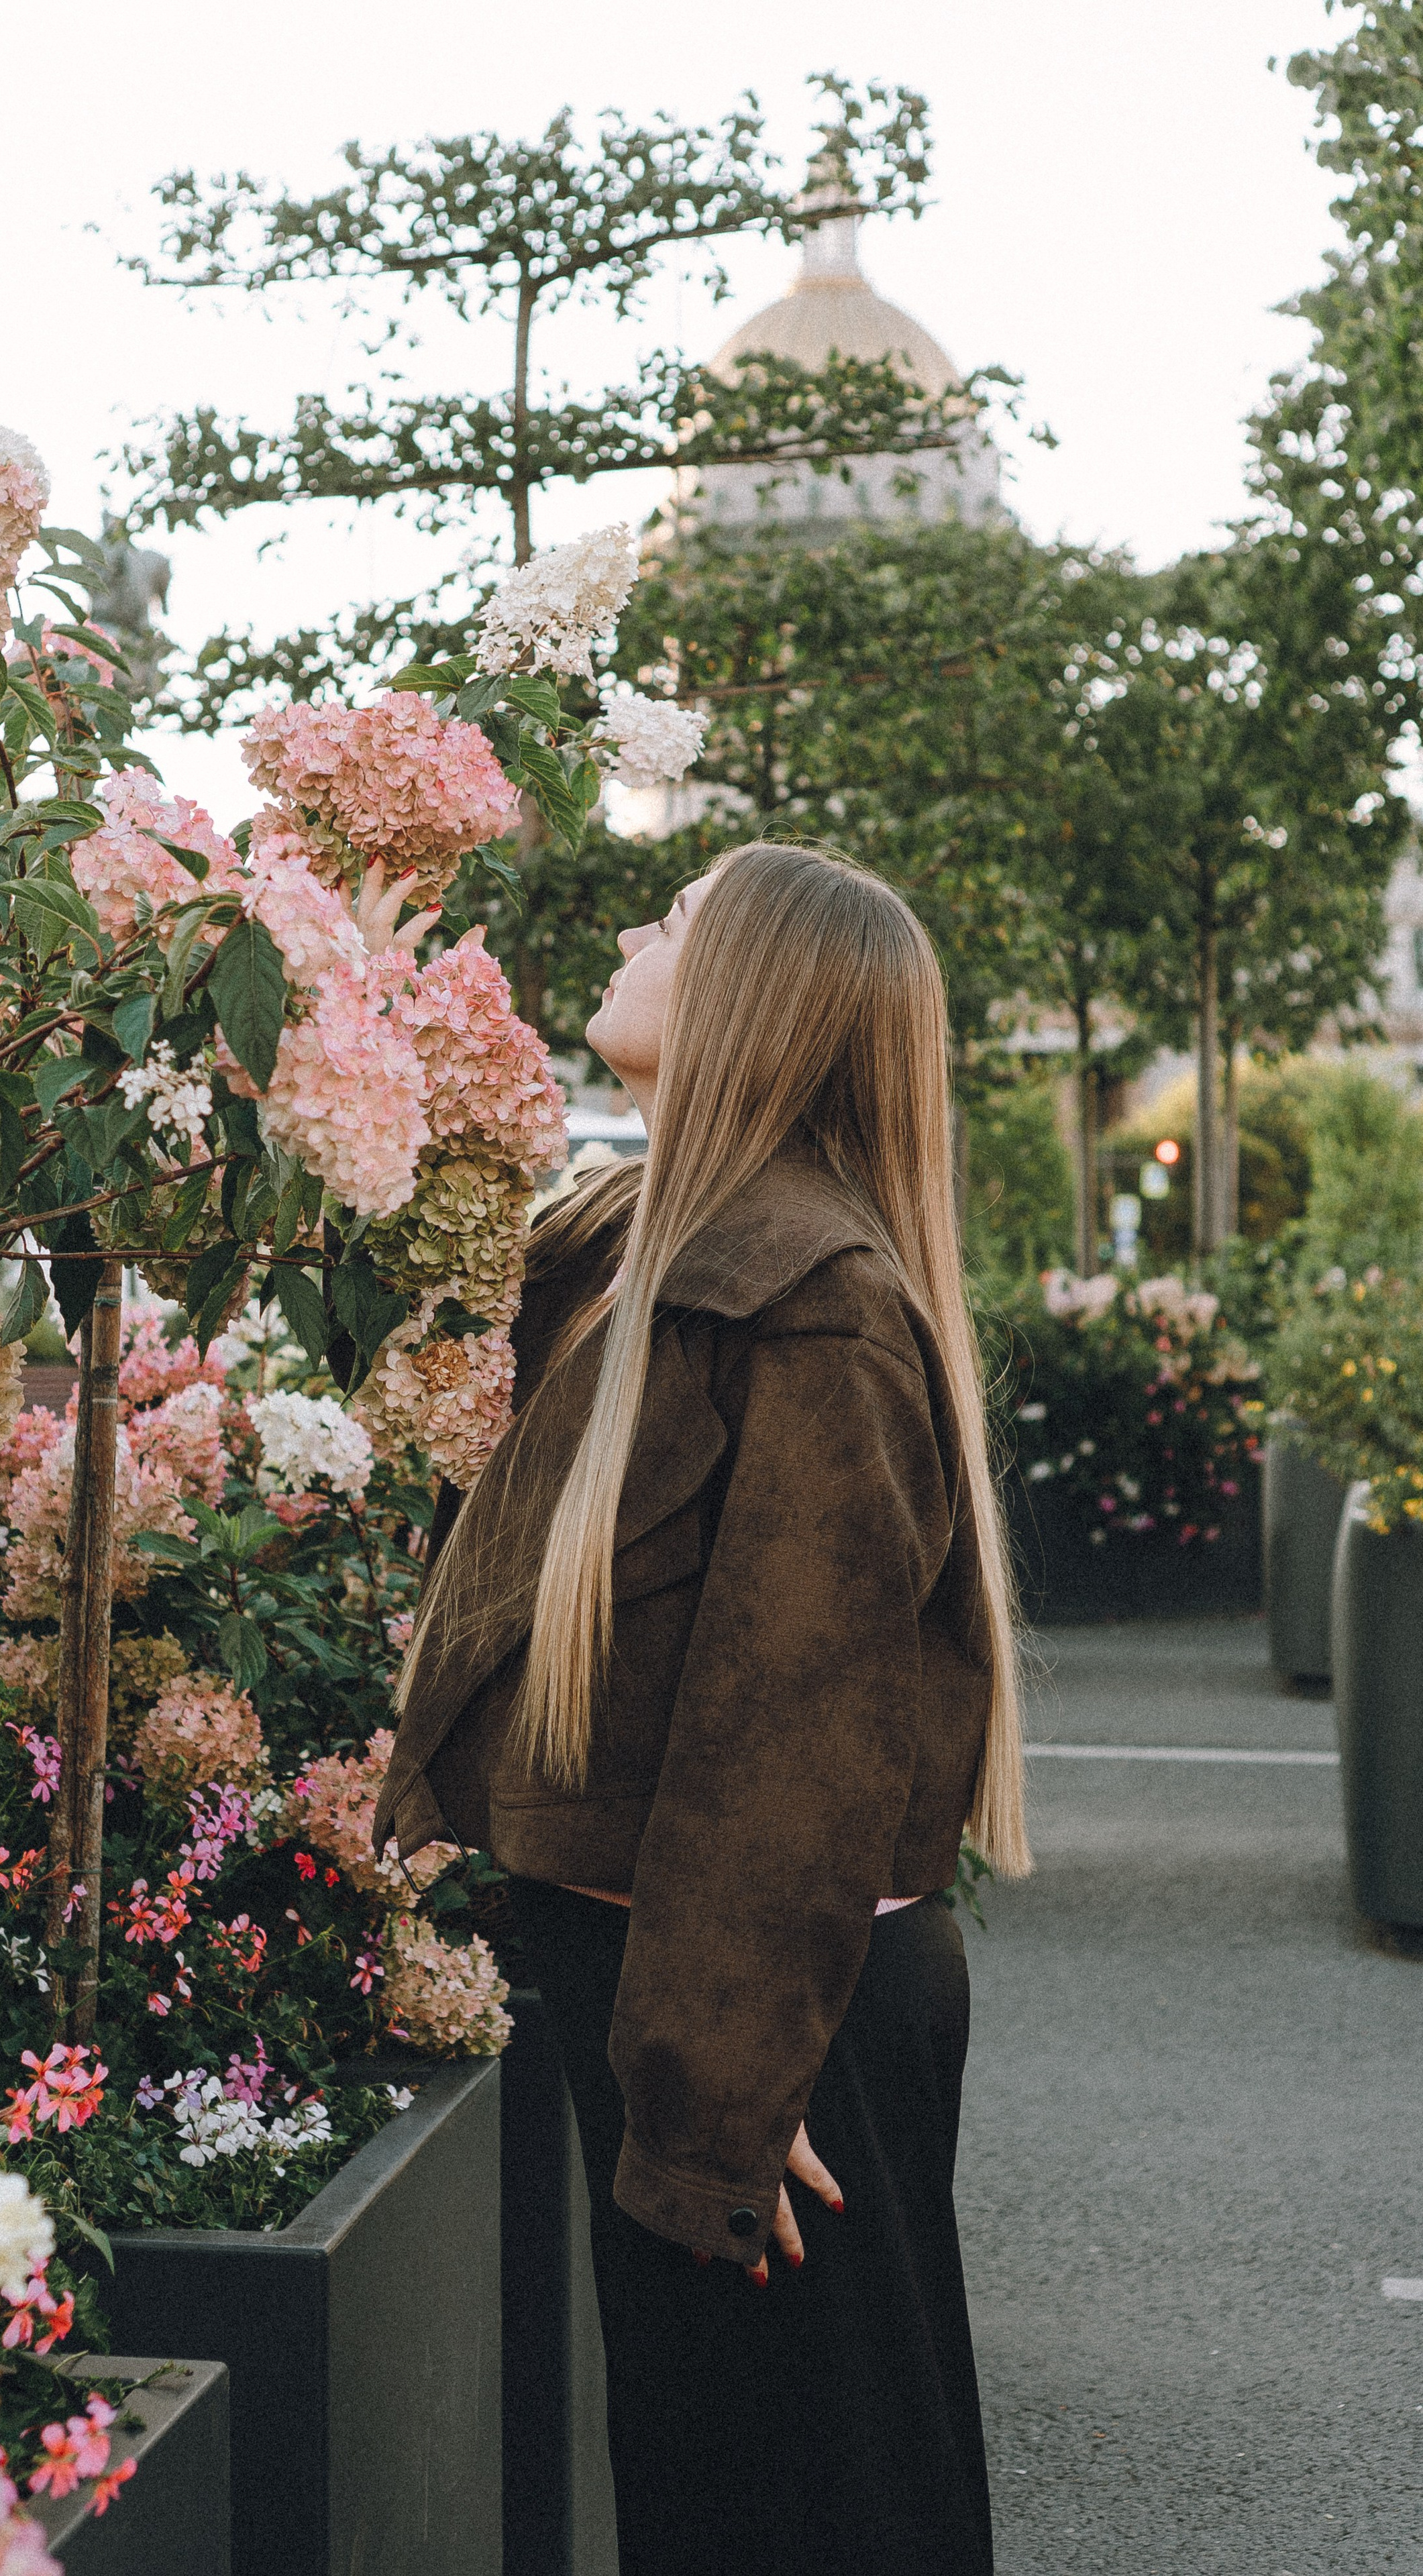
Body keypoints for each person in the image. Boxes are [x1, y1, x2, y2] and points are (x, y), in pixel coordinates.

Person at [371, 843, 1029, 2576]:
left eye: (674, 919)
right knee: (716, 2493)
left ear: (757, 991)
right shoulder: (633, 1241)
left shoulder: (812, 1300)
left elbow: (798, 1730)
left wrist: (727, 2092)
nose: (628, 928)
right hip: (688, 1982)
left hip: (765, 2011)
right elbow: (402, 1276)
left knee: (811, 2508)